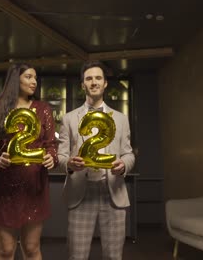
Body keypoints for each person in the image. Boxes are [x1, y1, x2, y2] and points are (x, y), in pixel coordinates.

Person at [0, 63, 58, 260]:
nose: (34, 82)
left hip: (34, 187)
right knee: (5, 250)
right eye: (29, 77)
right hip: (5, 188)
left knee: (32, 249)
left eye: (35, 78)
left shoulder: (43, 109)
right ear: (16, 80)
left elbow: (51, 144)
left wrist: (51, 157)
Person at [58, 60, 135, 260]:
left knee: (113, 256)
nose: (94, 82)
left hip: (113, 193)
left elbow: (128, 153)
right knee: (77, 256)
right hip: (80, 194)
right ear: (82, 84)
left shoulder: (120, 118)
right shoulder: (68, 119)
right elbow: (61, 156)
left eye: (98, 78)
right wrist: (69, 164)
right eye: (89, 78)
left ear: (105, 83)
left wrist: (124, 164)